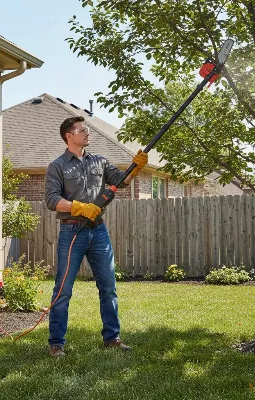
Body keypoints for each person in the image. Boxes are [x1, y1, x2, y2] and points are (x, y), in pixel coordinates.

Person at [45, 116, 148, 357]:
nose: (88, 133)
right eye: (83, 130)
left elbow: (121, 182)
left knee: (109, 287)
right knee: (63, 290)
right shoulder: (57, 166)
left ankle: (112, 338)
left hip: (98, 231)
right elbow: (51, 200)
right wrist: (80, 207)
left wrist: (136, 167)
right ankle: (56, 344)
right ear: (69, 136)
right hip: (71, 232)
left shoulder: (99, 161)